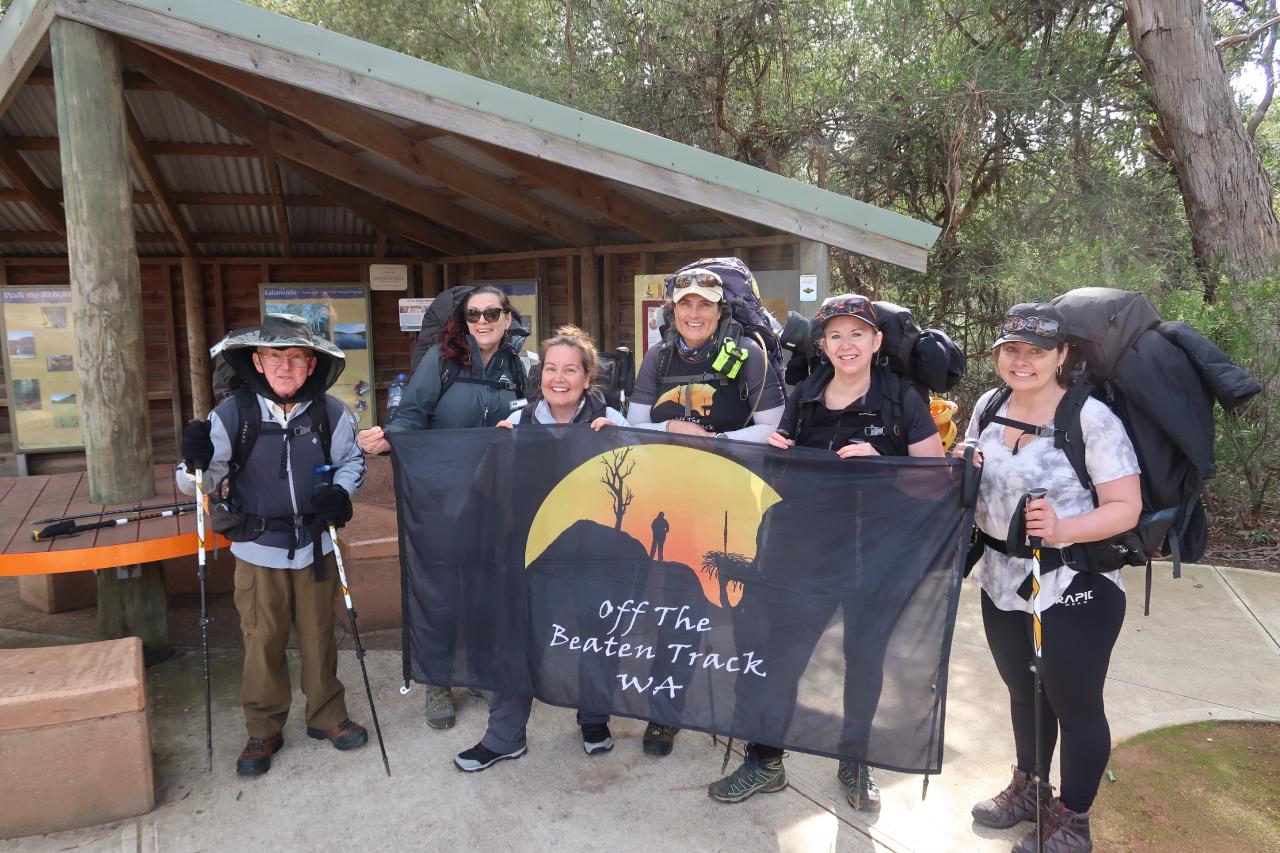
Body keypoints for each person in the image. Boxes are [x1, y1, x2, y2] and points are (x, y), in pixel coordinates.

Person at [708, 294, 943, 808]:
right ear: (823, 344)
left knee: (865, 660)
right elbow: (780, 473)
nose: (846, 344)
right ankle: (765, 761)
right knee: (780, 658)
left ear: (876, 341)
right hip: (805, 556)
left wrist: (884, 463)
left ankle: (855, 762)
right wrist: (780, 457)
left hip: (877, 558)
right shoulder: (807, 394)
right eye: (835, 335)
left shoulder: (901, 399)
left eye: (857, 333)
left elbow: (935, 479)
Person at [960, 302, 1141, 852]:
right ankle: (1030, 789)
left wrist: (1063, 528)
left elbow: (1126, 507)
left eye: (1037, 351)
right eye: (1011, 349)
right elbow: (974, 475)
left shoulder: (1089, 418)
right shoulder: (989, 406)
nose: (1022, 361)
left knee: (1074, 705)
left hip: (1072, 583)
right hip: (1001, 577)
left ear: (1062, 355)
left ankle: (1073, 822)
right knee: (1024, 692)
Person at [177, 313, 368, 777]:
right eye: (275, 357)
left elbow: (351, 461)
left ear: (311, 364)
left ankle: (326, 715)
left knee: (320, 634)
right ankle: (264, 728)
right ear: (257, 362)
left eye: (296, 358)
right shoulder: (233, 415)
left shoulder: (329, 412)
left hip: (316, 546)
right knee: (263, 639)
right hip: (257, 547)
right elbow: (197, 482)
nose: (286, 367)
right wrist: (193, 462)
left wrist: (340, 493)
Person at [453, 325, 630, 772]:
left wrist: (623, 444)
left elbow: (641, 486)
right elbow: (485, 488)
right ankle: (504, 737)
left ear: (587, 378)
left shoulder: (612, 419)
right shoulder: (518, 422)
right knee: (517, 643)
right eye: (551, 369)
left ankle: (594, 718)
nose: (559, 378)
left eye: (570, 370)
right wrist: (496, 451)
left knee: (598, 637)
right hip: (534, 554)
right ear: (540, 376)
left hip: (598, 554)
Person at [626, 265, 786, 757]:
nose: (694, 313)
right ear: (672, 310)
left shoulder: (749, 355)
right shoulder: (659, 356)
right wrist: (674, 430)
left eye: (705, 305)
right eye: (685, 304)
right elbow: (634, 423)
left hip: (737, 502)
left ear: (720, 310)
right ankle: (664, 713)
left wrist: (714, 441)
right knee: (678, 608)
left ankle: (751, 718)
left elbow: (775, 428)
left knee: (745, 612)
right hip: (679, 502)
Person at [357, 285, 527, 730]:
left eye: (492, 313)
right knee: (442, 590)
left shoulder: (517, 366)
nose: (483, 321)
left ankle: (477, 669)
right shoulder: (443, 360)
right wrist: (392, 438)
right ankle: (438, 679)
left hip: (495, 498)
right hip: (442, 496)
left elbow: (533, 418)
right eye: (474, 314)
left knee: (485, 587)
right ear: (463, 320)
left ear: (508, 318)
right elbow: (412, 413)